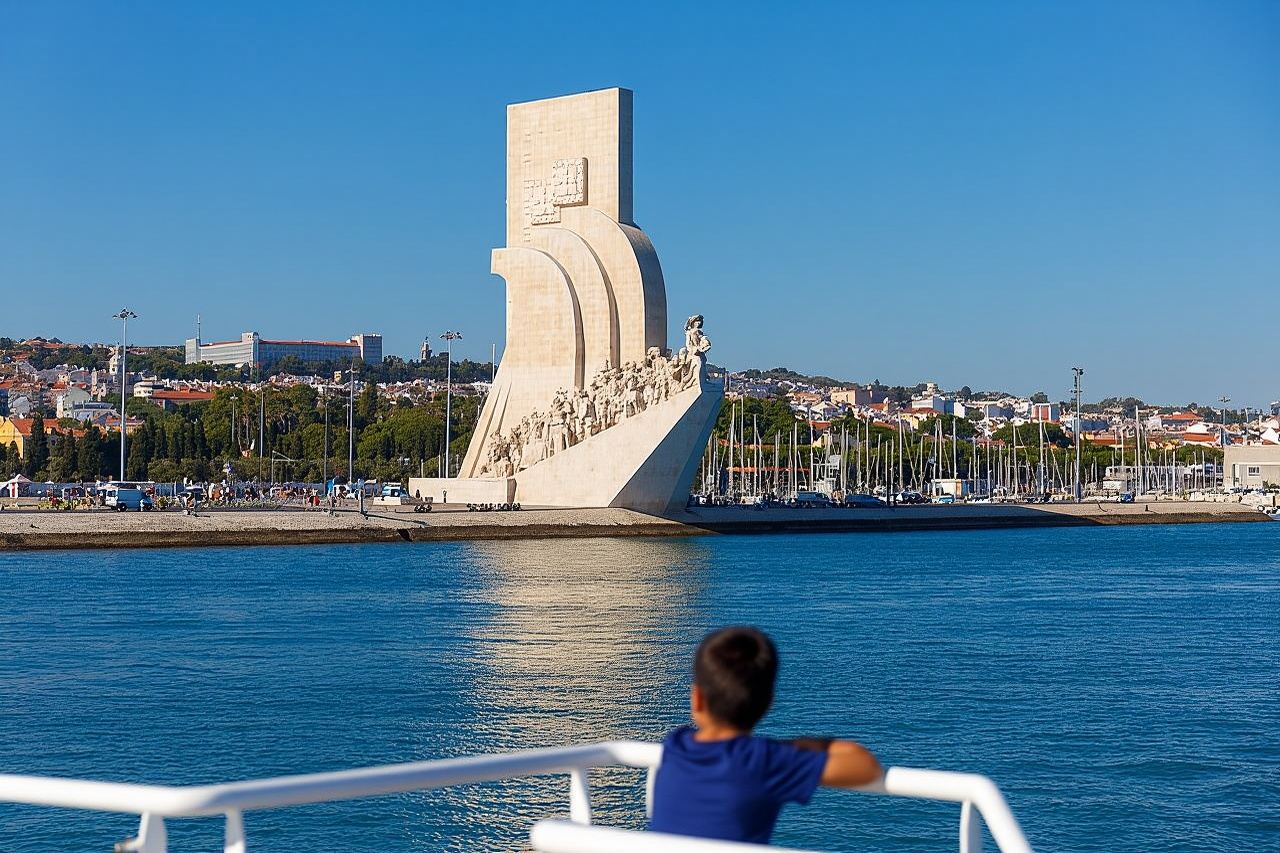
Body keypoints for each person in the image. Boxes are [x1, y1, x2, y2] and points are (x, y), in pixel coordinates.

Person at [649, 626, 881, 844]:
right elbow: (865, 765)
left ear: (697, 698)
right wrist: (793, 747)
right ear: (768, 703)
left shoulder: (675, 744)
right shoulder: (764, 761)